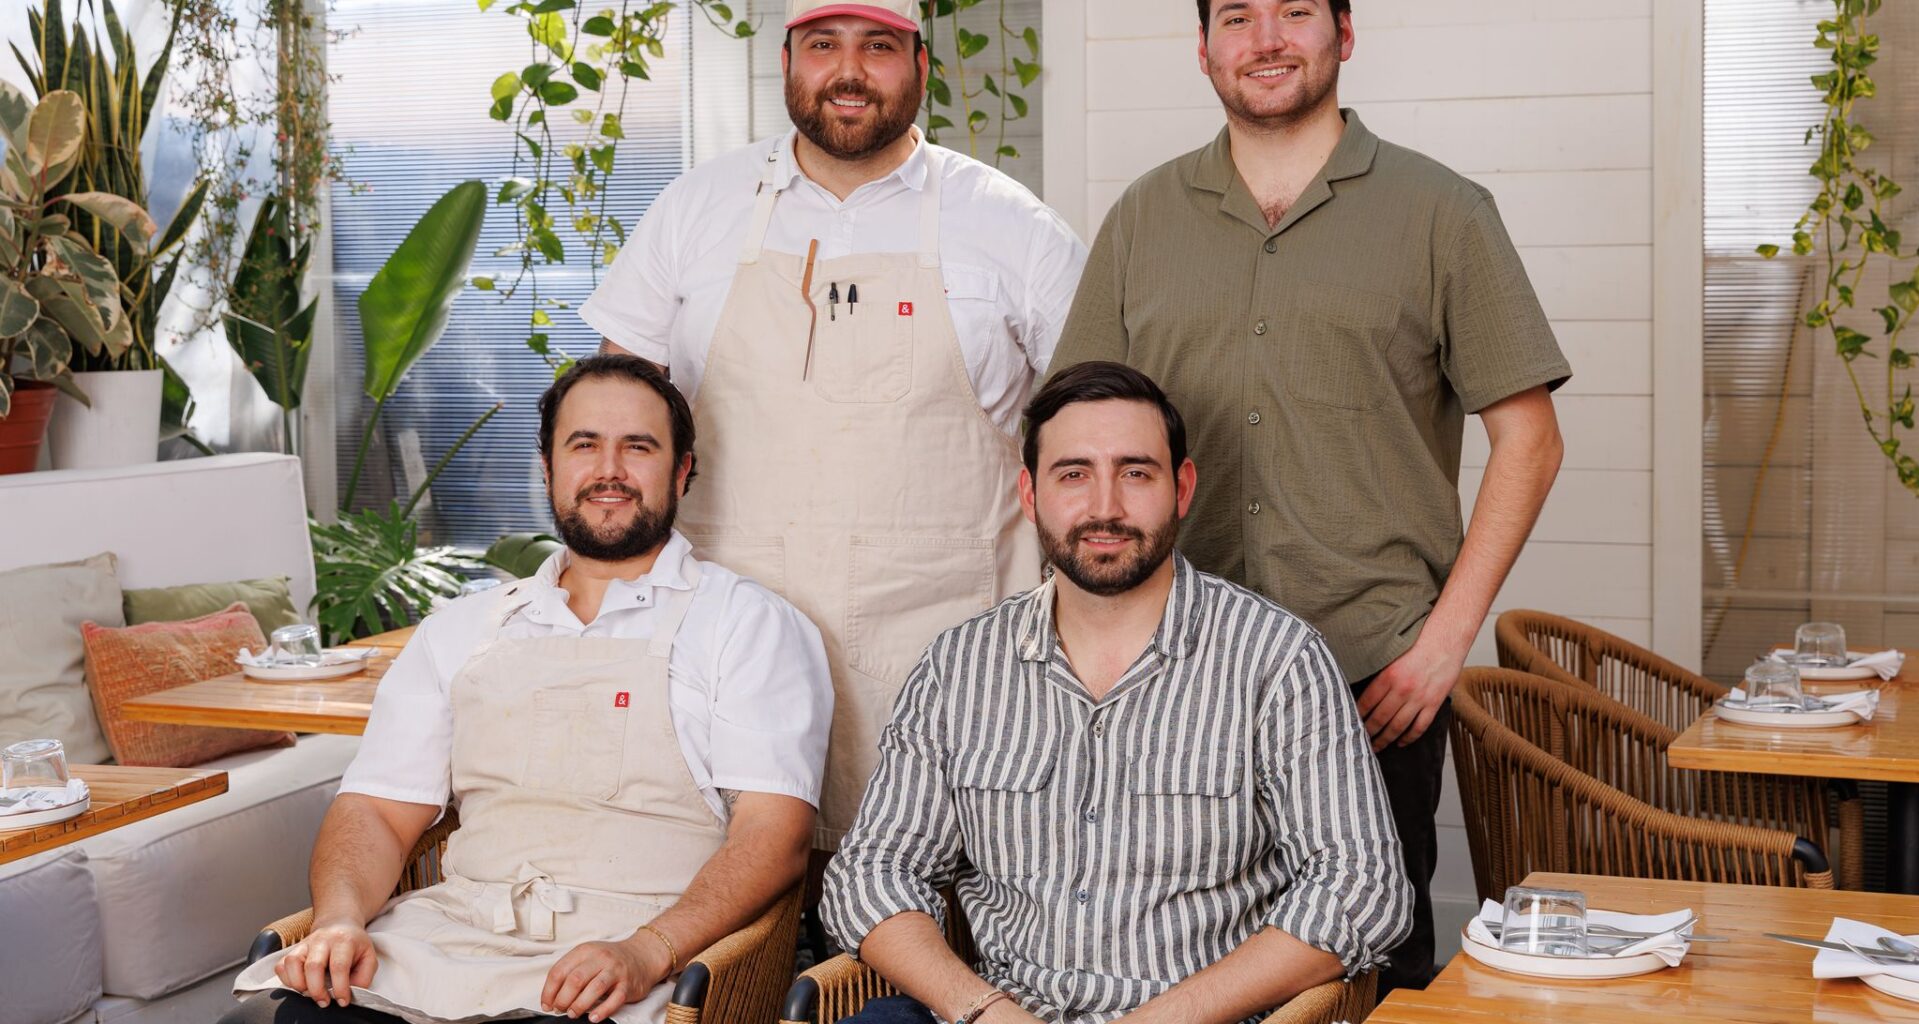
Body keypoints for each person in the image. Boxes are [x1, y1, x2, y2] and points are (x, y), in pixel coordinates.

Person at [1046, 0, 1569, 993]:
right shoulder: (1140, 220)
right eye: (1237, 17)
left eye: (1294, 11)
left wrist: (1443, 646)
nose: (1267, 39)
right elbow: (1077, 435)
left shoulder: (1444, 213)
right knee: (1168, 966)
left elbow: (1529, 441)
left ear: (1345, 33)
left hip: (1369, 680)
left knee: (1368, 966)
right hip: (1168, 684)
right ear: (1203, 50)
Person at [577, 0, 1087, 850]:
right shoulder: (696, 208)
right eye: (824, 45)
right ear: (787, 61)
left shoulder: (1011, 224)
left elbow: (1096, 435)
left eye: (877, 46)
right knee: (734, 909)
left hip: (948, 655)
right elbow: (609, 418)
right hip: (725, 648)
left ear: (923, 64)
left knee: (937, 898)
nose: (848, 71)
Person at [224, 356, 833, 1024]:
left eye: (639, 447)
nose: (609, 471)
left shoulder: (748, 624)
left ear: (682, 471)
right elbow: (374, 810)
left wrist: (647, 951)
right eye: (584, 446)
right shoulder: (458, 631)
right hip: (446, 942)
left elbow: (774, 837)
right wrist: (339, 921)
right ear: (547, 469)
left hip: (638, 962)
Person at [820, 361, 1412, 1024]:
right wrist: (982, 1009)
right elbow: (869, 875)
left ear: (1182, 488)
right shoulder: (959, 666)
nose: (1105, 506)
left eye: (1136, 472)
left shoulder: (1275, 659)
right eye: (1074, 474)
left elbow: (1363, 890)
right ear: (1030, 493)